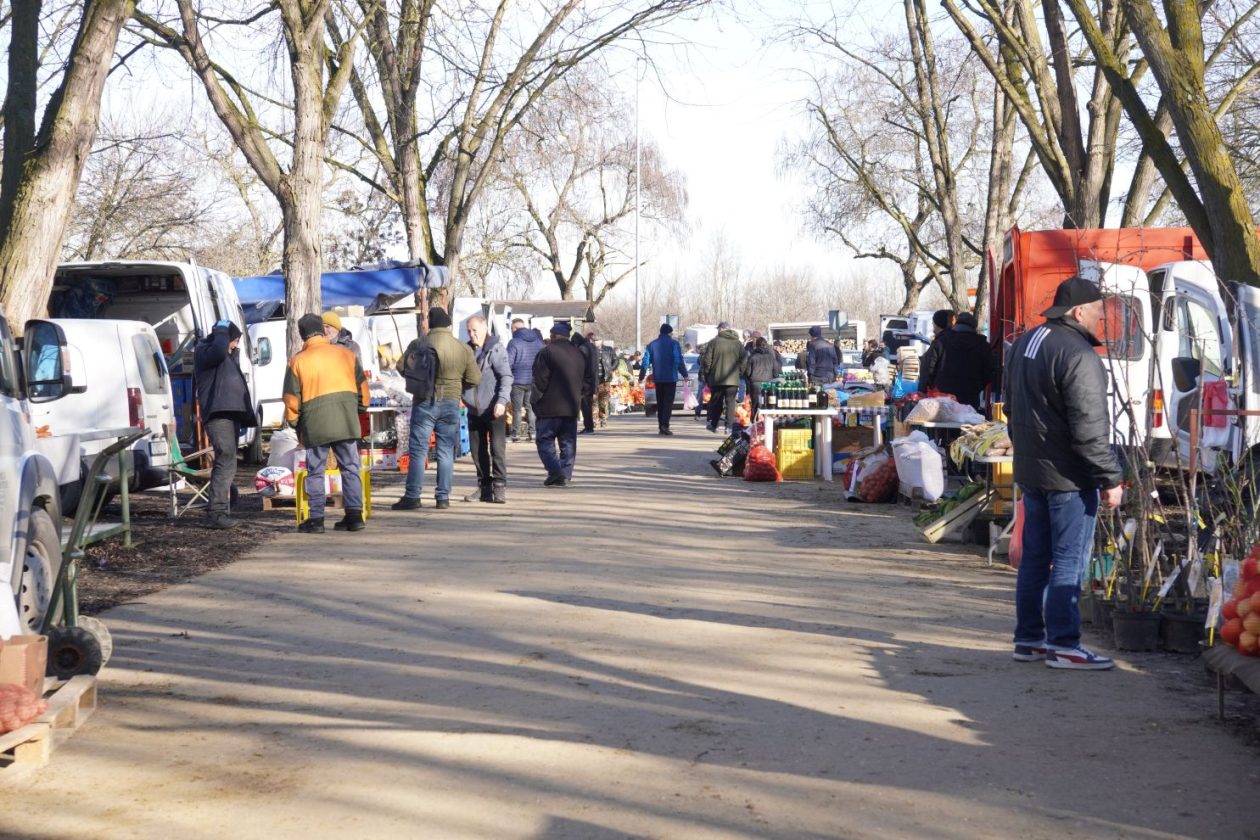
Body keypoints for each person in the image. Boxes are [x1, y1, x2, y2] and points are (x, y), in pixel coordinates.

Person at [1005, 276, 1124, 671]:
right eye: (1097, 312)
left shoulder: (1026, 343)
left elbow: (1010, 407)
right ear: (1078, 312)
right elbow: (1089, 427)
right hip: (1069, 477)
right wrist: (1110, 478)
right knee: (1069, 560)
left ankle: (1029, 639)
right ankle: (1065, 644)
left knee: (1036, 559)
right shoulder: (1078, 355)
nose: (1101, 320)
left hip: (1032, 470)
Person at [283, 314, 369, 534]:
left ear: (302, 334)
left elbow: (291, 399)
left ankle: (316, 520)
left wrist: (295, 423)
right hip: (346, 421)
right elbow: (363, 391)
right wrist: (356, 411)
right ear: (322, 330)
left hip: (315, 425)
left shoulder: (298, 361)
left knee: (316, 471)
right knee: (350, 468)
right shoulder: (347, 354)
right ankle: (354, 516)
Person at [392, 307, 480, 511]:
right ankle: (442, 497)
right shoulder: (462, 348)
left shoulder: (419, 343)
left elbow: (400, 366)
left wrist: (418, 379)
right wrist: (457, 387)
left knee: (418, 450)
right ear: (448, 325)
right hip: (450, 402)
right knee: (445, 450)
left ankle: (413, 496)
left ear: (430, 324)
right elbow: (475, 378)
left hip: (424, 401)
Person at [194, 319, 257, 529]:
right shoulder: (206, 351)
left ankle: (223, 505)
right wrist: (222, 331)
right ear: (224, 337)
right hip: (218, 414)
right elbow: (219, 351)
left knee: (229, 459)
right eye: (234, 340)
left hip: (229, 414)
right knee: (226, 456)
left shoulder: (224, 356)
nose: (235, 345)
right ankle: (216, 512)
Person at [461, 315, 513, 503]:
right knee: (477, 451)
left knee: (497, 448)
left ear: (484, 329)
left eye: (474, 330)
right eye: (469, 331)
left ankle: (499, 486)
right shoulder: (466, 350)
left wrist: (501, 401)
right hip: (473, 409)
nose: (472, 334)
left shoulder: (496, 349)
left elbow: (506, 377)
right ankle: (484, 487)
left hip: (494, 408)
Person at [533, 322, 588, 486]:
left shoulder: (547, 352)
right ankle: (565, 473)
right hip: (571, 406)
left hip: (549, 406)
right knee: (568, 443)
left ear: (553, 336)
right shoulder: (579, 353)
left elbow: (540, 380)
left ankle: (556, 471)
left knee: (544, 440)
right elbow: (586, 380)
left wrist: (536, 399)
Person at [919, 311, 993, 409]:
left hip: (942, 399)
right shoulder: (983, 346)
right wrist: (977, 387)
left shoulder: (941, 341)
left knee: (944, 423)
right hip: (970, 399)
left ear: (956, 324)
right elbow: (988, 373)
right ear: (974, 327)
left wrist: (925, 388)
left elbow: (927, 368)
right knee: (968, 423)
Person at [639, 323, 688, 435]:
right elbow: (678, 360)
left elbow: (645, 362)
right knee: (668, 403)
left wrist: (641, 377)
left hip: (658, 378)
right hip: (671, 378)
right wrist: (684, 374)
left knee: (660, 402)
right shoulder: (674, 344)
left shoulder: (651, 345)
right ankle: (665, 425)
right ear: (669, 333)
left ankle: (661, 425)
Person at [700, 321, 747, 434]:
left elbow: (706, 361)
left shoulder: (713, 342)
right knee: (731, 403)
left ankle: (714, 425)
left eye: (718, 329)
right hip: (733, 379)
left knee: (717, 402)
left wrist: (708, 373)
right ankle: (729, 427)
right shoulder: (738, 344)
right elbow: (744, 360)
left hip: (717, 379)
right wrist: (739, 373)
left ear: (721, 329)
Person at [507, 319, 543, 442]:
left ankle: (515, 434)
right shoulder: (538, 342)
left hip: (517, 380)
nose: (511, 331)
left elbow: (509, 362)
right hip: (533, 380)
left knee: (517, 409)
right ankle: (532, 433)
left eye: (511, 328)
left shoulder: (514, 342)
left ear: (515, 328)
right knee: (530, 407)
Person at [743, 335, 782, 422]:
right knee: (767, 405)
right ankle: (766, 423)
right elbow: (777, 372)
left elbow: (747, 372)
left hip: (755, 384)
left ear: (756, 346)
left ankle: (754, 424)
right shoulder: (771, 358)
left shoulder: (752, 357)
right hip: (768, 384)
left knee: (755, 405)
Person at [916, 309, 956, 391]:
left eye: (933, 322)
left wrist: (923, 391)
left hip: (939, 393)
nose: (932, 324)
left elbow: (928, 370)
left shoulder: (939, 343)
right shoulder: (956, 339)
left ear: (937, 323)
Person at [572, 329, 599, 433]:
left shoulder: (582, 349)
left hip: (583, 381)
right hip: (592, 380)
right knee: (587, 405)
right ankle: (589, 426)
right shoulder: (593, 348)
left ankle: (587, 427)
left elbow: (579, 366)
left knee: (582, 405)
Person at [594, 338, 617, 429]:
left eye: (597, 340)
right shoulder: (591, 350)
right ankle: (594, 420)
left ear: (601, 341)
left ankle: (603, 419)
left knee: (603, 402)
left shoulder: (608, 350)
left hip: (605, 380)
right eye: (594, 340)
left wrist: (611, 369)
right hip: (594, 380)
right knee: (594, 401)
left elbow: (616, 361)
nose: (596, 342)